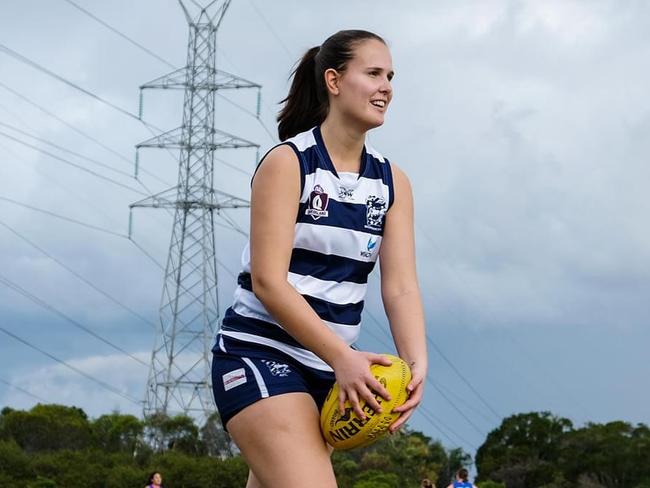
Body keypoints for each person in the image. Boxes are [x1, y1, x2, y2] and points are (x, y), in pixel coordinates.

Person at [211, 29, 427, 488]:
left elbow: (401, 286)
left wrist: (415, 363)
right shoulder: (289, 163)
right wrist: (343, 357)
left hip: (329, 372)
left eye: (390, 75)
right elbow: (268, 282)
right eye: (373, 73)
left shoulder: (393, 182)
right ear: (333, 80)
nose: (386, 85)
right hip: (260, 353)